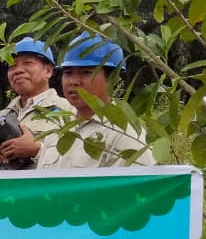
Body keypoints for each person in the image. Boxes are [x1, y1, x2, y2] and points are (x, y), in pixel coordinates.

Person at [38, 34, 150, 168]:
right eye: (68, 72)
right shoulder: (59, 128)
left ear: (113, 78)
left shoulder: (125, 133)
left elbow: (137, 187)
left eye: (86, 72)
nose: (73, 81)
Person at [0, 37, 73, 170]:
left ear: (48, 71)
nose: (18, 70)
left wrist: (37, 150)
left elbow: (80, 163)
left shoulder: (68, 111)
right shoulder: (0, 117)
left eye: (27, 63)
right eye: (12, 66)